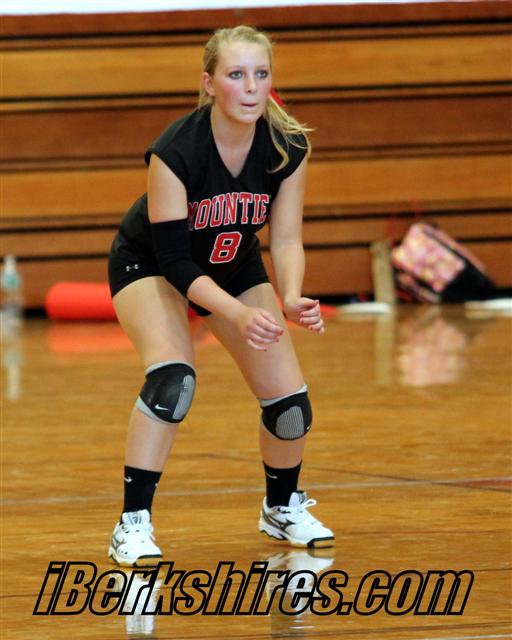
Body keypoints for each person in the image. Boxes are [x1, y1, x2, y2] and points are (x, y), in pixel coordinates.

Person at [107, 25, 334, 567]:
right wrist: (237, 313)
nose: (251, 87)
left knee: (290, 407)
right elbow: (176, 263)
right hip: (151, 265)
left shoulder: (286, 145)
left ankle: (281, 508)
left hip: (233, 264)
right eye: (236, 74)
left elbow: (286, 238)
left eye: (261, 74)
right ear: (209, 83)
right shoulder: (174, 152)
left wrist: (291, 297)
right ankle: (131, 524)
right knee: (173, 381)